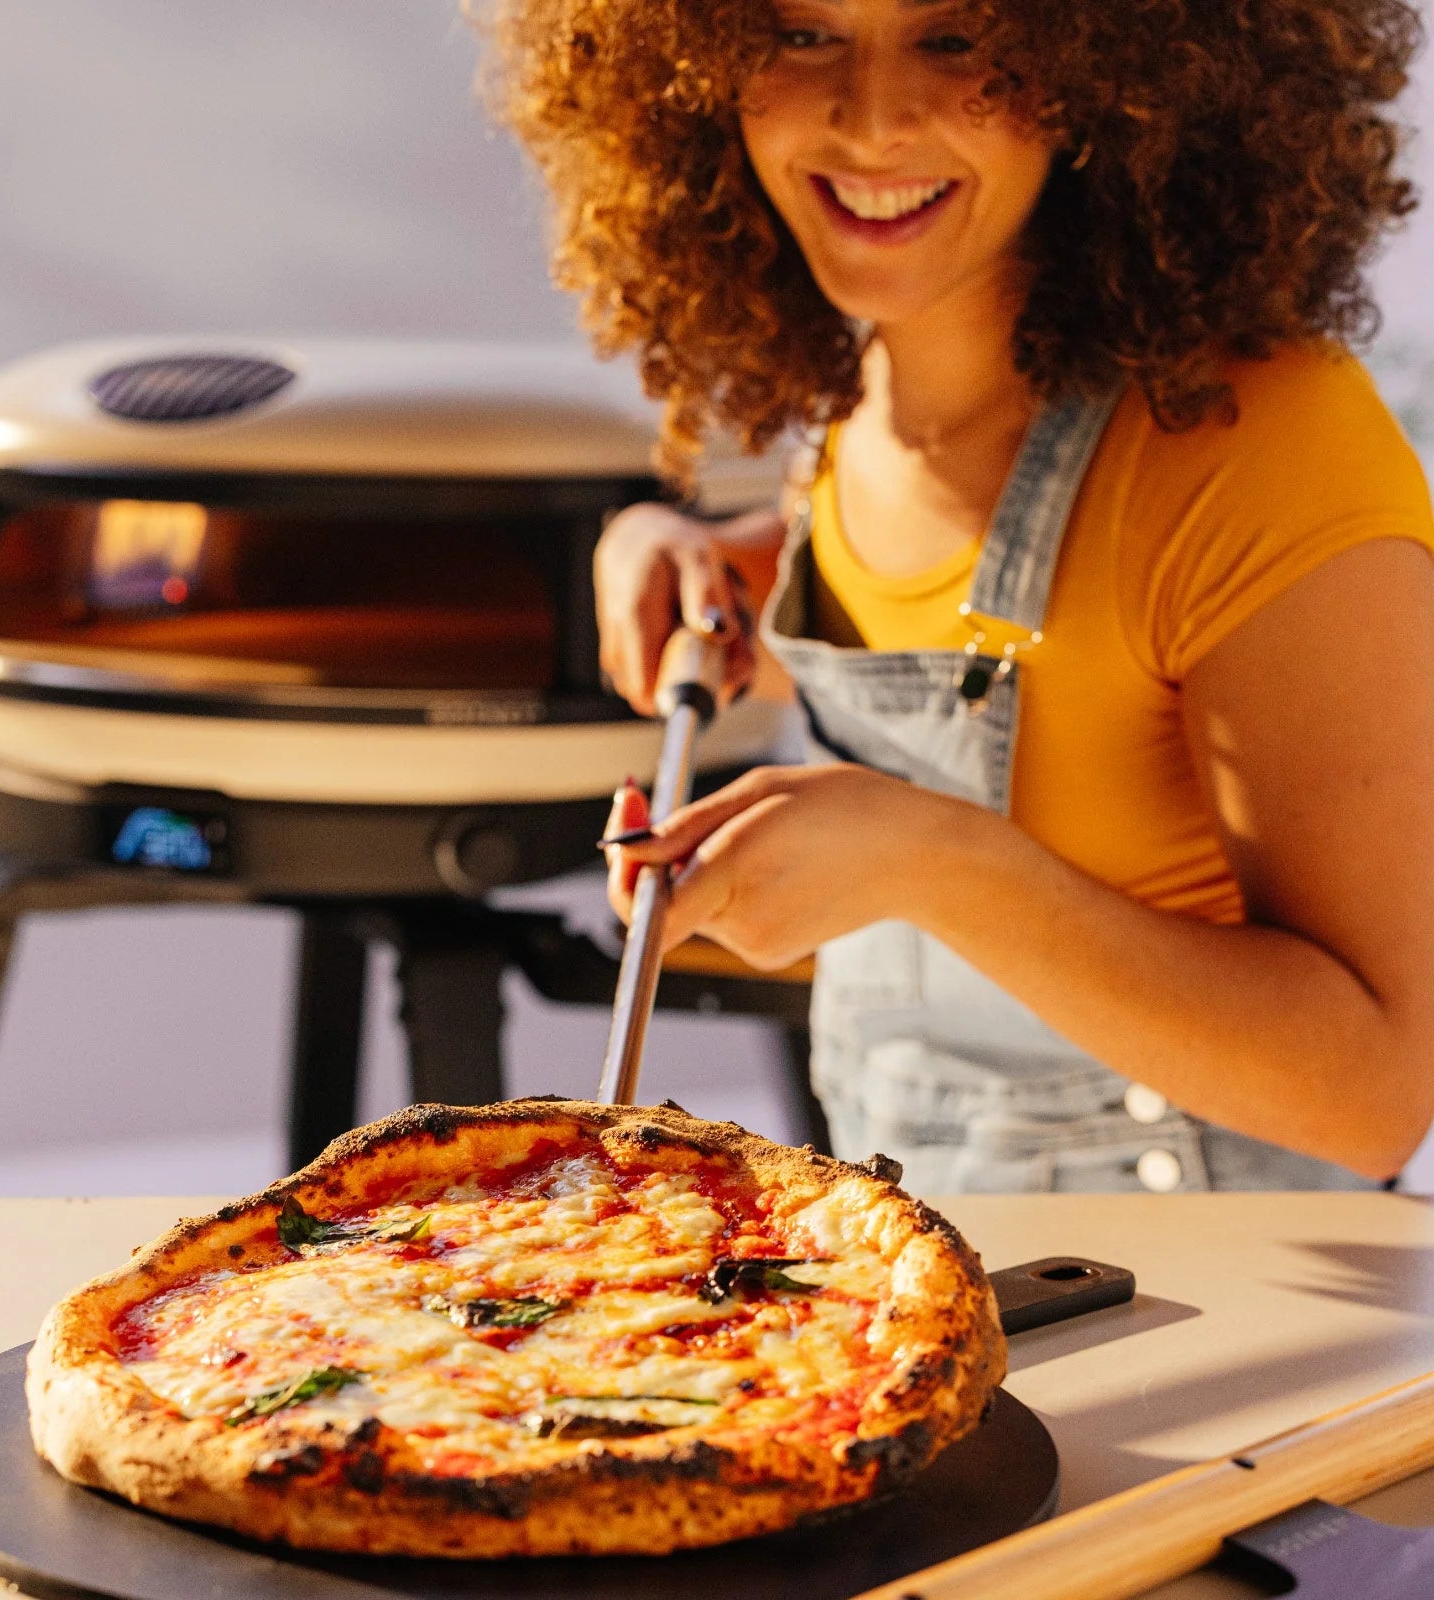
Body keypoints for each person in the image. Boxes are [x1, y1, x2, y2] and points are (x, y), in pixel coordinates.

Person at [482, 0, 1434, 1190]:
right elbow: (954, 622)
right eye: (800, 32)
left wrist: (928, 860)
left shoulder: (1260, 449)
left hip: (1225, 1286)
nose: (872, 121)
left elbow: (1379, 1094)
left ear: (1115, 70)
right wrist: (701, 564)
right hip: (910, 1266)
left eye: (956, 39)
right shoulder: (871, 405)